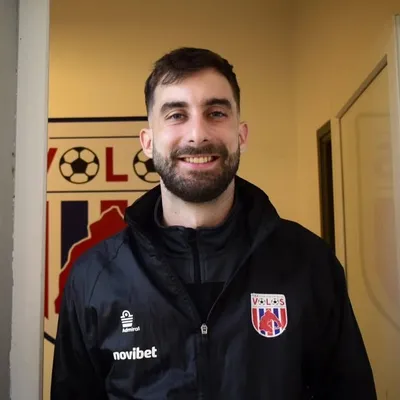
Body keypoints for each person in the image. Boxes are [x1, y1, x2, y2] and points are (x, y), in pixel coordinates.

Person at [51, 47, 377, 400]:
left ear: (242, 135)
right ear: (148, 142)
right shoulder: (95, 276)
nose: (197, 134)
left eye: (216, 113)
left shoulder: (309, 262)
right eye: (176, 115)